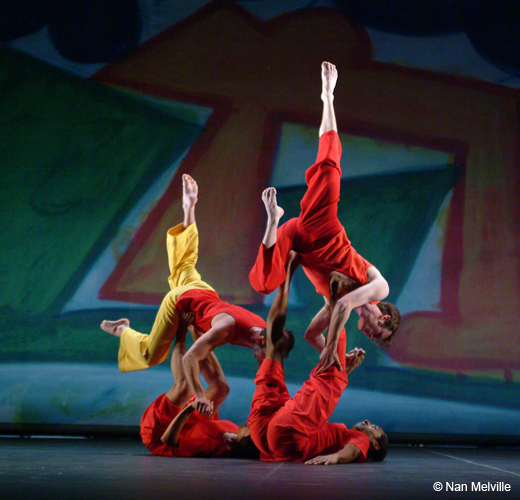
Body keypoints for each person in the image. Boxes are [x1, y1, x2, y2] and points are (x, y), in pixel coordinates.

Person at [249, 61, 400, 373]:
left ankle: (273, 219)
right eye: (378, 334)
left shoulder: (336, 307)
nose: (370, 336)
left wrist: (337, 359)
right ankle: (328, 97)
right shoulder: (379, 289)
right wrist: (332, 349)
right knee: (330, 171)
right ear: (384, 318)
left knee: (265, 285)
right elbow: (344, 305)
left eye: (373, 339)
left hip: (299, 244)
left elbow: (310, 333)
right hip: (322, 229)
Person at [101, 174, 294, 416]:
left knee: (184, 263)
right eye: (269, 354)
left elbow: (269, 378)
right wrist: (200, 396)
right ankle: (122, 331)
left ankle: (189, 207)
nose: (267, 359)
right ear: (263, 343)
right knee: (151, 354)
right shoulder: (227, 329)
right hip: (181, 302)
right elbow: (190, 358)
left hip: (204, 291)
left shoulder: (265, 332)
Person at [248, 254, 388, 464]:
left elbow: (350, 451)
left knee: (331, 370)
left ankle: (328, 290)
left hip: (286, 434)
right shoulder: (338, 434)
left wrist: (336, 458)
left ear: (373, 444)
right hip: (268, 436)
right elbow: (311, 337)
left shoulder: (358, 439)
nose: (368, 422)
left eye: (373, 428)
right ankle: (325, 293)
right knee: (275, 346)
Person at [140, 317, 258, 458]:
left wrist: (190, 408)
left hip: (161, 432)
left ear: (245, 441)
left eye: (250, 429)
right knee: (221, 389)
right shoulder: (235, 432)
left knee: (185, 387)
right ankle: (197, 332)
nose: (249, 424)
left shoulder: (208, 444)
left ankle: (181, 329)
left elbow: (168, 441)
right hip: (189, 425)